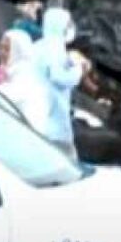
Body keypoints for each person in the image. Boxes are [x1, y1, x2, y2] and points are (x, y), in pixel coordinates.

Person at [34, 8, 83, 157]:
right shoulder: (56, 47)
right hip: (55, 117)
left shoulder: (38, 45)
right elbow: (59, 77)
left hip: (40, 114)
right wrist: (77, 69)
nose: (70, 27)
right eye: (68, 24)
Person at [0, 29, 48, 133]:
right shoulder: (6, 68)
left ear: (19, 50)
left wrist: (0, 82)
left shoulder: (27, 73)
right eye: (1, 47)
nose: (1, 53)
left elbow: (2, 99)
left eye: (7, 49)